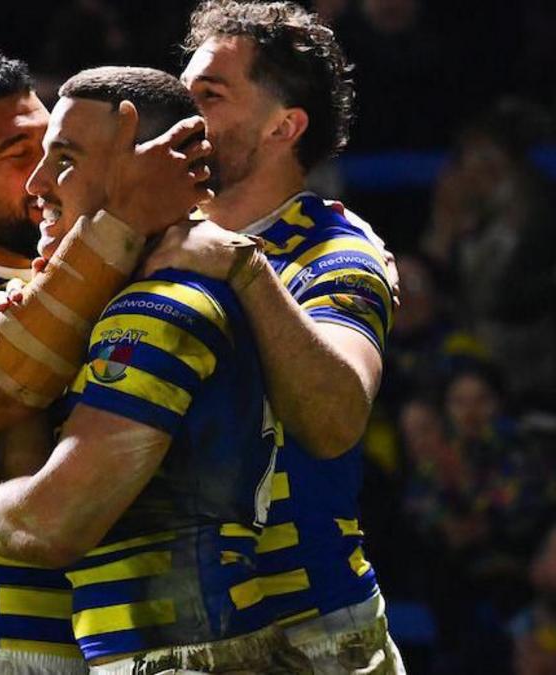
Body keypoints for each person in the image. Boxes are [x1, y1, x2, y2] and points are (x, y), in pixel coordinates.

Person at [0, 65, 308, 673]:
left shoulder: (162, 308)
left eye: (63, 159)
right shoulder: (122, 298)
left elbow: (49, 526)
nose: (37, 182)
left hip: (194, 658)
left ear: (145, 162)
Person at [0, 48, 210, 674]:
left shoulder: (108, 270)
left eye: (57, 151)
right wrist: (123, 218)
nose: (41, 179)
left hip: (112, 649)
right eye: (19, 154)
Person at [139, 1, 402, 671]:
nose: (181, 111)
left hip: (312, 636)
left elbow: (336, 416)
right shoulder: (144, 237)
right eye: (183, 88)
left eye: (209, 95)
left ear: (285, 125)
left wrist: (242, 266)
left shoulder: (335, 251)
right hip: (174, 633)